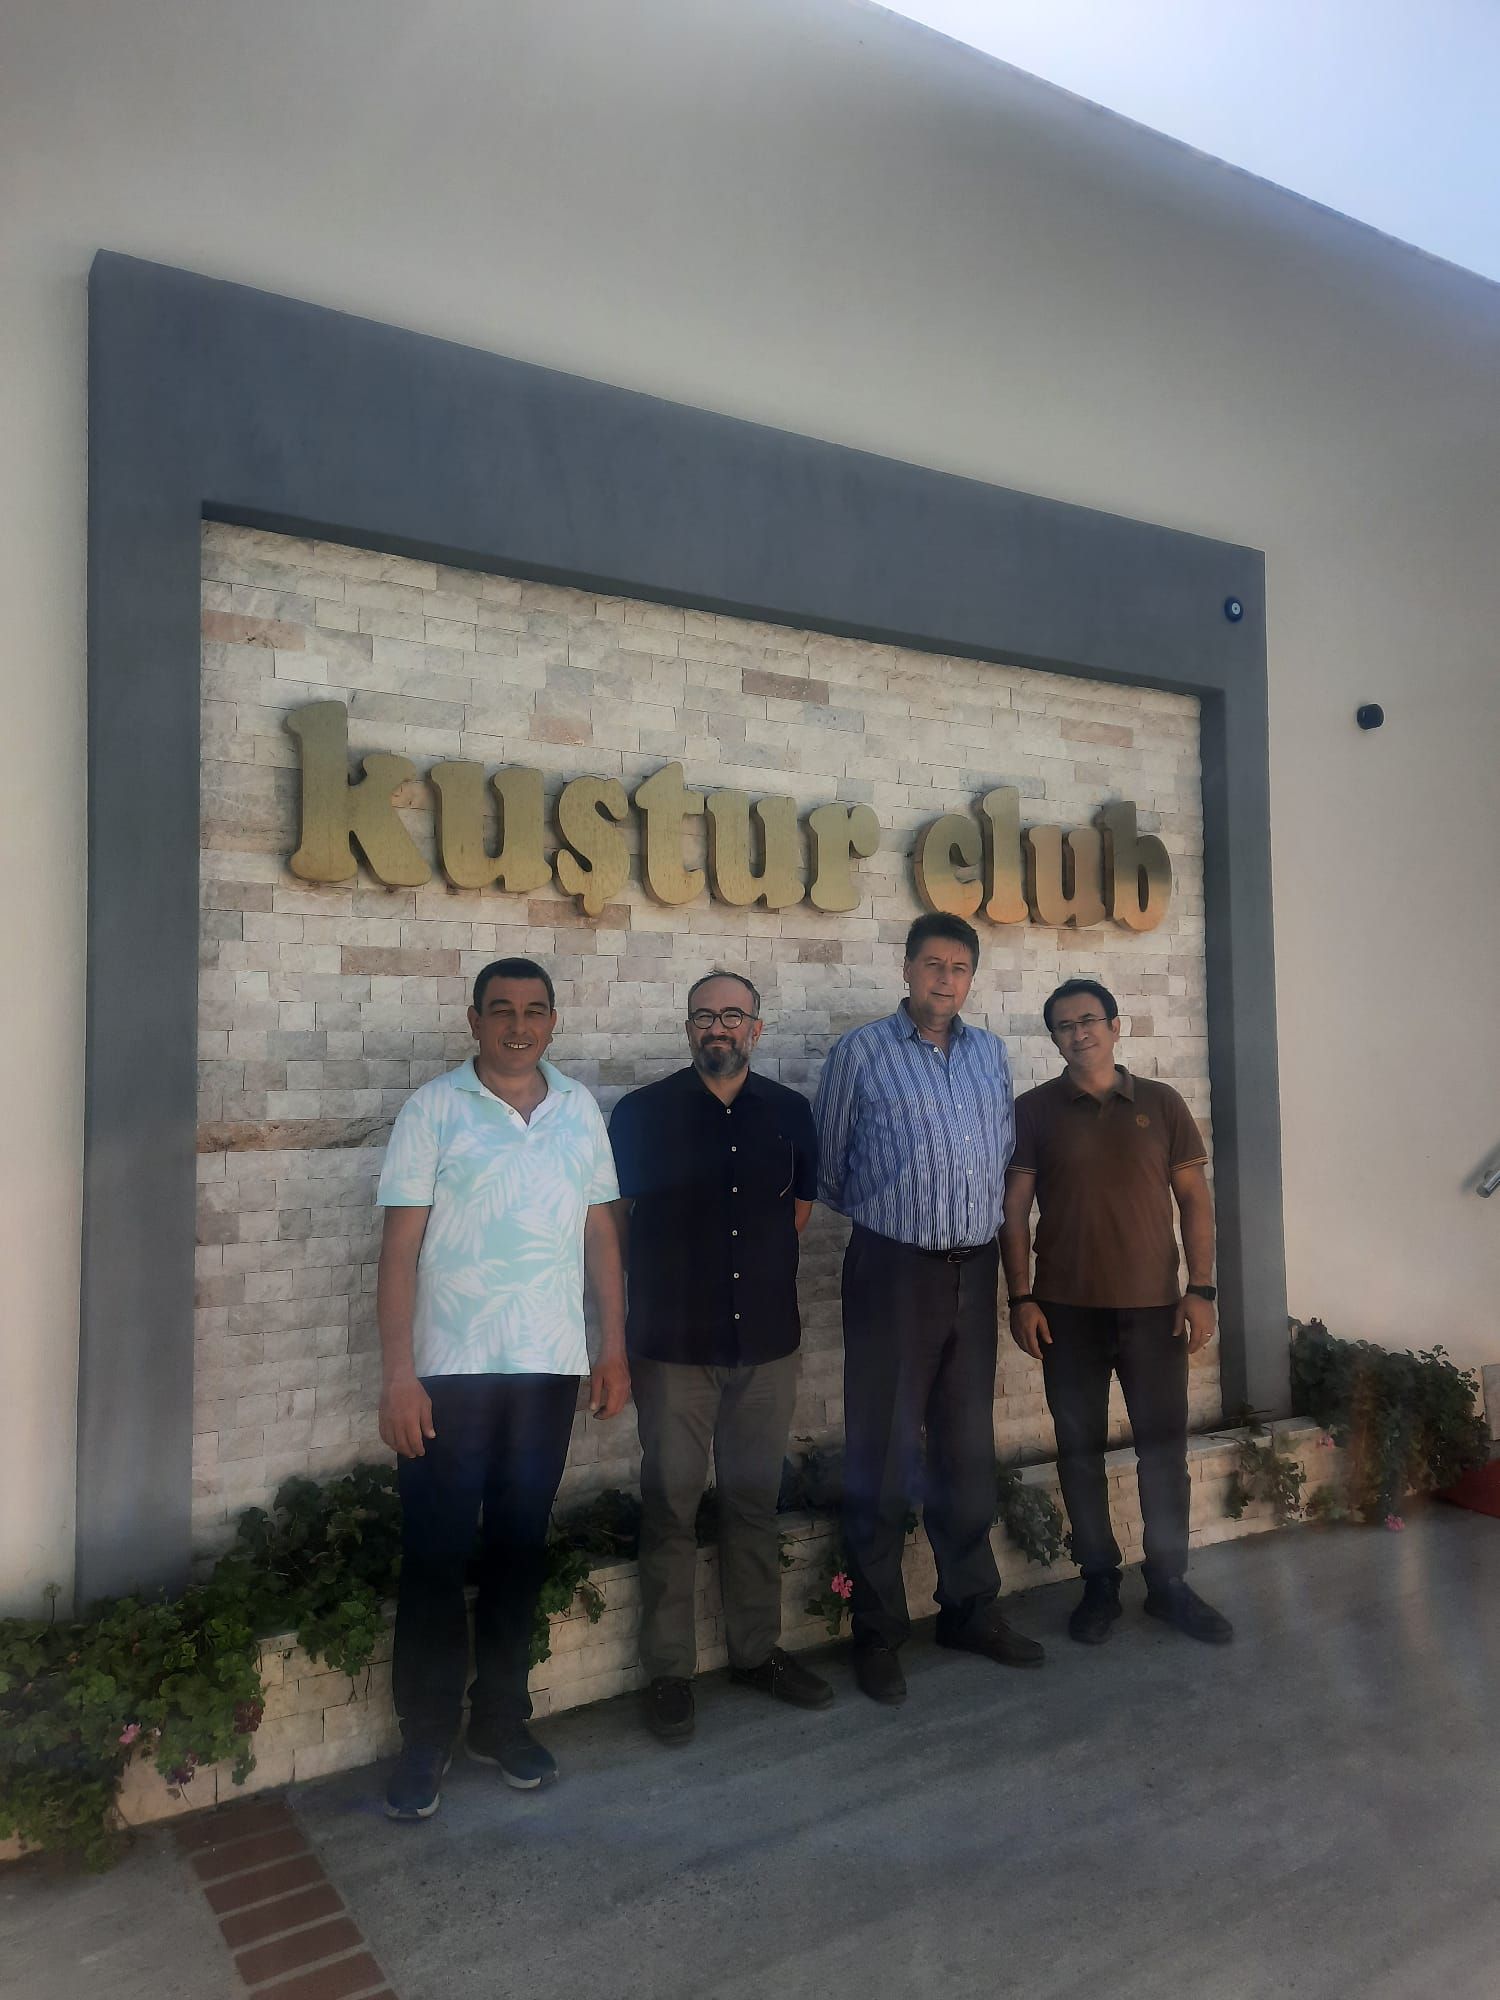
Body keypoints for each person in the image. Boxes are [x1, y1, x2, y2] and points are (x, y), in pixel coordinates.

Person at [375, 956, 629, 1820]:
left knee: (520, 1550)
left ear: (553, 1021)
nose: (518, 1026)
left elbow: (601, 1236)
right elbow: (399, 1251)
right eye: (502, 1010)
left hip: (547, 1368)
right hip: (448, 1372)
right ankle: (425, 1738)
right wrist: (399, 1375)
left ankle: (499, 1721)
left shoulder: (579, 1109)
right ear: (474, 1020)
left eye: (534, 1010)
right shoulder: (433, 1110)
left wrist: (612, 1346)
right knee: (437, 1556)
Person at [813, 914, 1044, 1706]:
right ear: (907, 969)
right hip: (892, 1270)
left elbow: (1001, 1158)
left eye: (959, 967)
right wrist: (901, 1223)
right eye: (932, 965)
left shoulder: (989, 1055)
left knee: (965, 1447)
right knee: (881, 1450)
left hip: (973, 1270)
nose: (945, 979)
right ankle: (878, 1633)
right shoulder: (861, 1054)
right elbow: (830, 1169)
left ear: (971, 978)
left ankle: (969, 1610)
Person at [609, 971, 832, 1742]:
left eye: (733, 1015)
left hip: (766, 1344)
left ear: (756, 1030)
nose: (719, 1027)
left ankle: (756, 1652)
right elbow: (615, 1221)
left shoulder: (791, 1114)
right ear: (688, 1028)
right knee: (670, 1506)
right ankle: (669, 1672)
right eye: (704, 1015)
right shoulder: (642, 1114)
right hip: (672, 1348)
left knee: (752, 1504)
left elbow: (796, 1214)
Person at [1000, 978, 1232, 1647]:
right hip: (1065, 1314)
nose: (1079, 1033)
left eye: (1090, 1020)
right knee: (1079, 1453)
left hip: (1156, 1312)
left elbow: (1195, 1201)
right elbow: (1013, 1210)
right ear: (1054, 1038)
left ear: (1115, 1026)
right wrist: (1021, 1298)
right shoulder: (1033, 1112)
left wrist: (1202, 1288)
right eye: (1064, 1025)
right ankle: (1098, 1580)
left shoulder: (1161, 1103)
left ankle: (1168, 1584)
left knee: (1164, 1453)